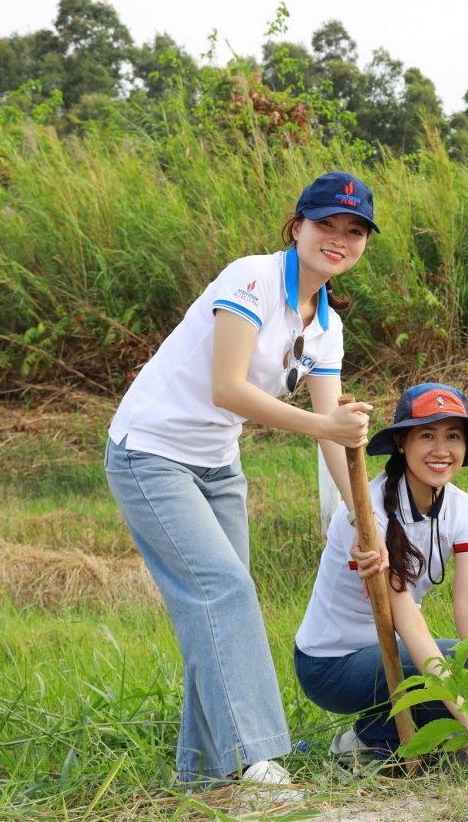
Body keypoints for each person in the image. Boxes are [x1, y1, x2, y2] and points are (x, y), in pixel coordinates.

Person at [103, 171, 379, 787]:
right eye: (326, 225)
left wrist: (366, 522)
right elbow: (227, 387)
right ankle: (258, 759)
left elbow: (332, 430)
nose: (338, 239)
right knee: (224, 593)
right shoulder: (251, 277)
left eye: (353, 231)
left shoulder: (326, 326)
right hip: (150, 450)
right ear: (297, 226)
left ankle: (201, 775)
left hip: (217, 464)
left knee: (216, 608)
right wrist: (324, 428)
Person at [294, 383, 468, 756]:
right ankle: (368, 742)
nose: (441, 449)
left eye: (453, 435)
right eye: (427, 435)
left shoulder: (465, 509)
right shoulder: (366, 516)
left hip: (396, 652)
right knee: (438, 672)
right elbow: (407, 620)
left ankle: (378, 733)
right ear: (402, 443)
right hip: (332, 666)